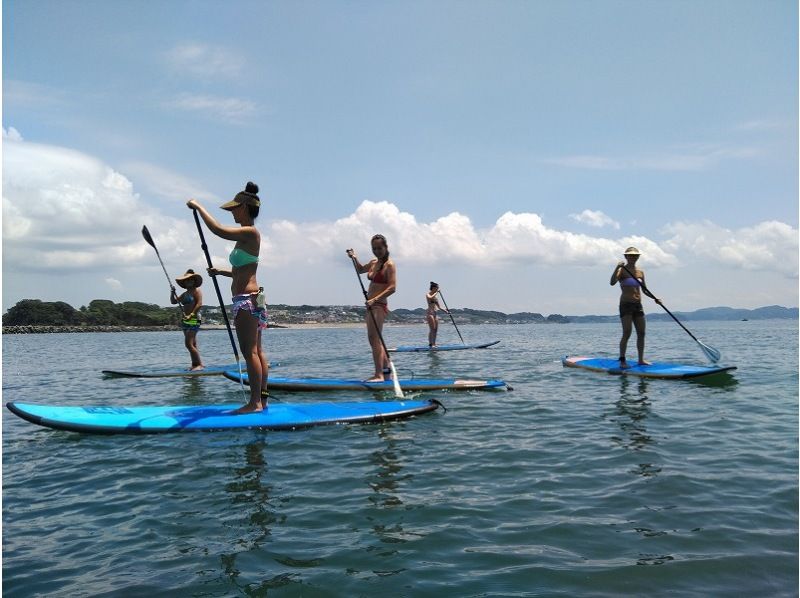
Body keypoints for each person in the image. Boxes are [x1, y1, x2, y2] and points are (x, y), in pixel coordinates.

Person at [187, 182, 269, 413]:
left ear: (244, 207)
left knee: (250, 352)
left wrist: (198, 206)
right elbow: (244, 269)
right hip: (254, 298)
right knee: (258, 352)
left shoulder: (250, 232)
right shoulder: (245, 237)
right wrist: (221, 272)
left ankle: (254, 403)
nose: (232, 211)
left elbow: (217, 230)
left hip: (246, 300)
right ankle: (262, 400)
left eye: (234, 208)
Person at [346, 234, 397, 382]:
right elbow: (361, 270)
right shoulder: (374, 262)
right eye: (374, 248)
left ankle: (378, 375)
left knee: (374, 338)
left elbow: (392, 287)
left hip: (379, 305)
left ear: (385, 247)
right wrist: (354, 257)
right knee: (375, 339)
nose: (377, 251)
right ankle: (386, 372)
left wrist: (374, 299)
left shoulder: (390, 265)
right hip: (370, 305)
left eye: (379, 248)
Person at [609, 246, 661, 368]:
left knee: (641, 333)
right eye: (630, 255)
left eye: (635, 255)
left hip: (638, 305)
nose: (633, 257)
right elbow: (612, 282)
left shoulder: (640, 272)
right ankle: (622, 360)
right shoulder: (622, 270)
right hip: (625, 304)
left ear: (638, 257)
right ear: (626, 257)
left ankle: (641, 360)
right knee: (627, 332)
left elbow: (644, 290)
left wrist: (655, 299)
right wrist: (617, 267)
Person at [170, 269, 204, 370]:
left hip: (194, 319)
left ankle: (199, 365)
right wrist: (173, 292)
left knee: (188, 344)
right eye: (187, 280)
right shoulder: (184, 294)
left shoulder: (197, 291)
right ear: (184, 282)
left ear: (194, 281)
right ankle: (195, 364)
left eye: (191, 280)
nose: (189, 281)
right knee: (193, 343)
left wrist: (192, 314)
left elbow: (199, 304)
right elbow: (173, 302)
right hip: (185, 320)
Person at [425, 281, 449, 347]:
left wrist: (446, 311)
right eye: (437, 288)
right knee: (432, 329)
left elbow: (439, 307)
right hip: (430, 314)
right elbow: (430, 298)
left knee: (435, 330)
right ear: (433, 288)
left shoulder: (436, 297)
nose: (438, 289)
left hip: (435, 314)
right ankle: (431, 343)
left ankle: (434, 343)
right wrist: (436, 292)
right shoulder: (428, 295)